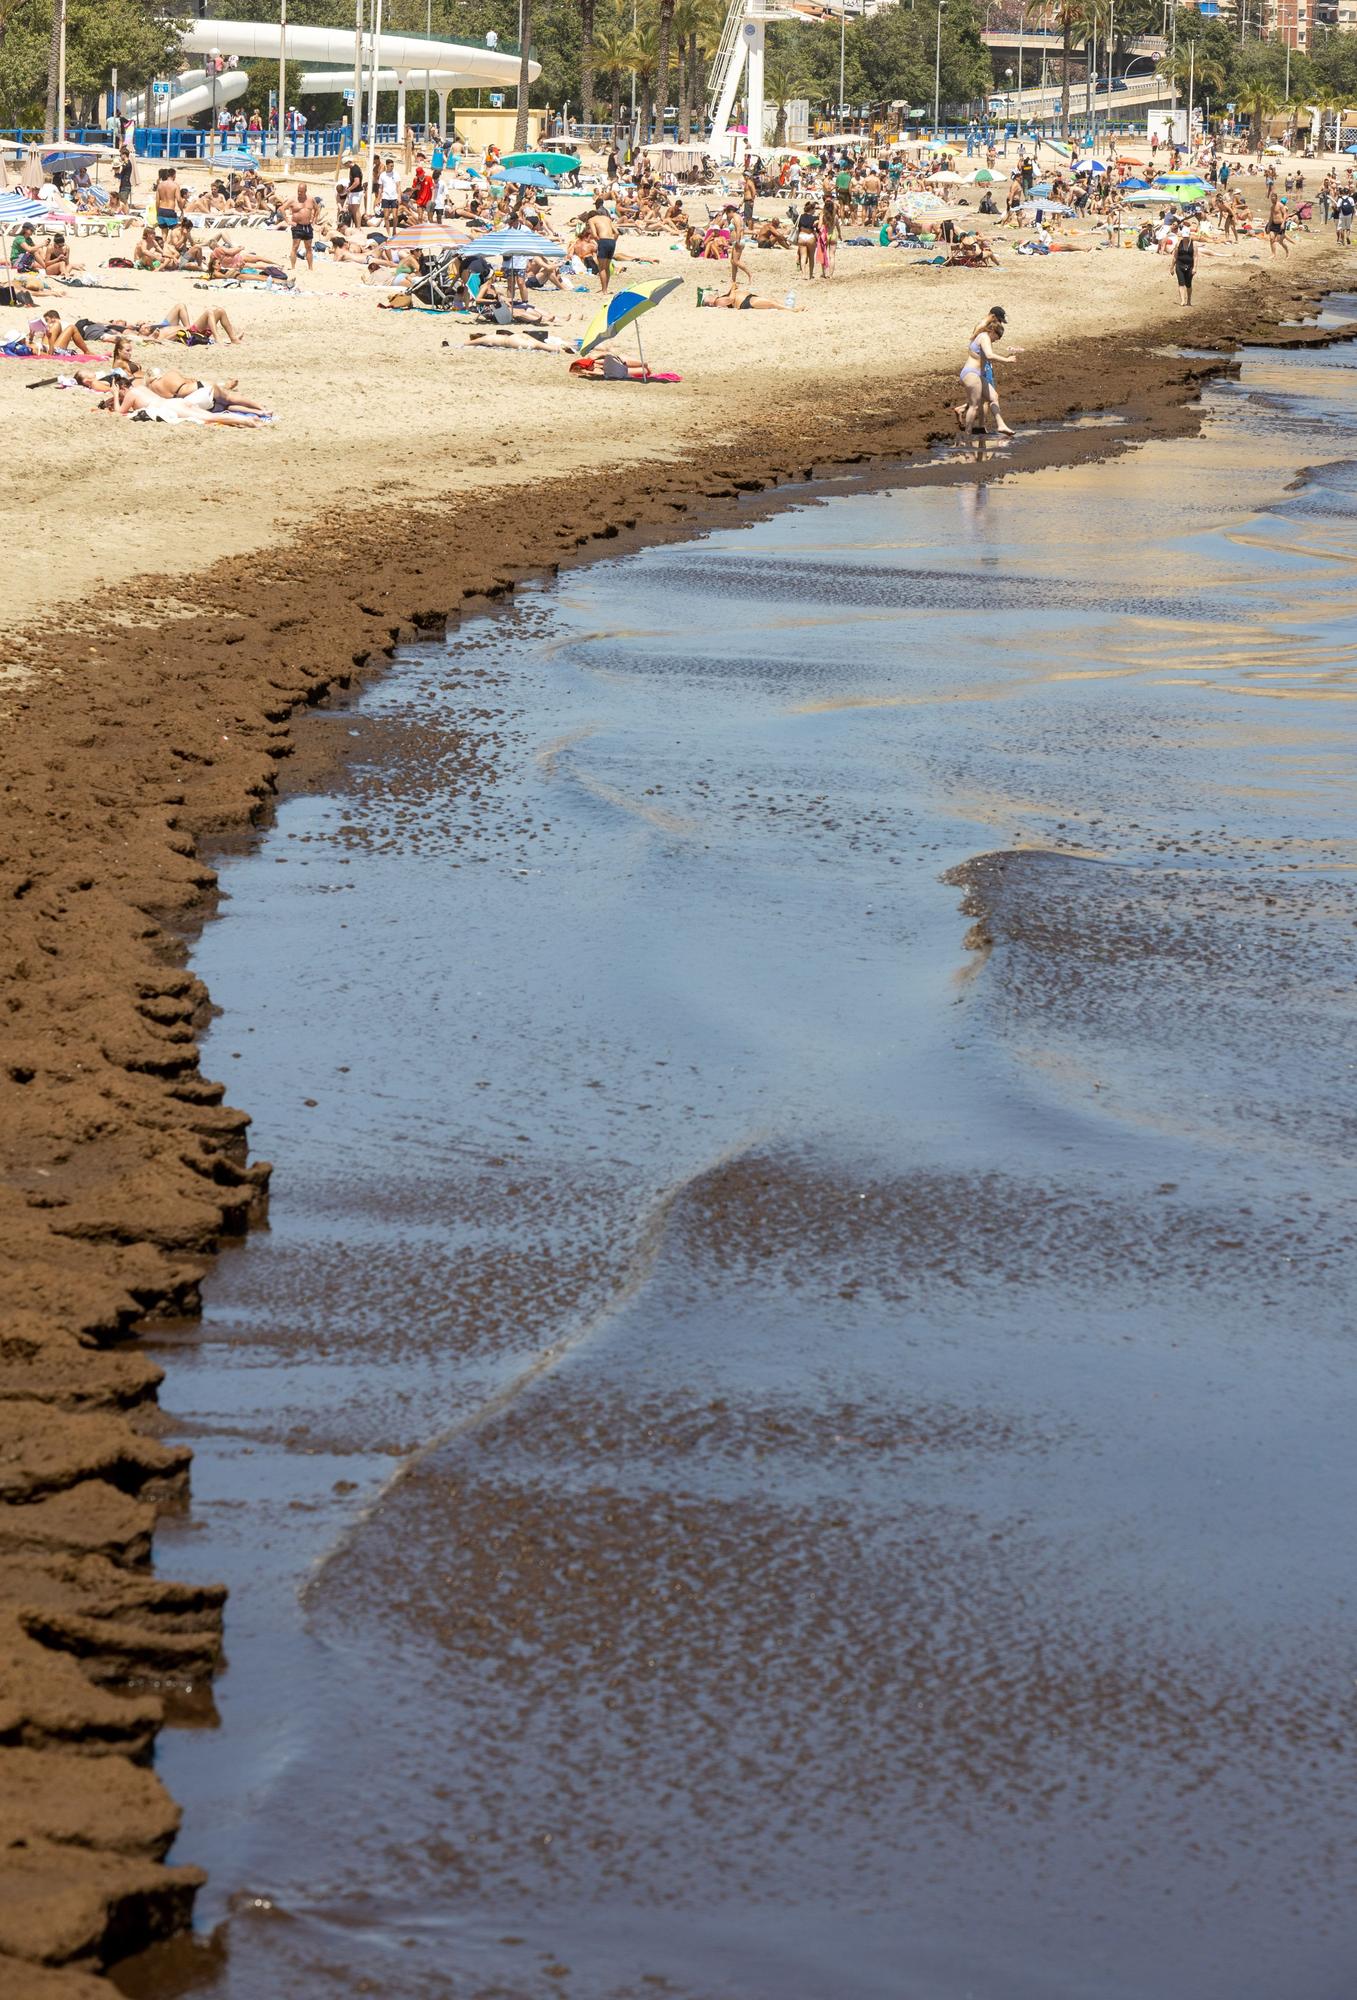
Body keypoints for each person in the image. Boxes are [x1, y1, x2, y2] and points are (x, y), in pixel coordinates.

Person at [954, 305, 1018, 437]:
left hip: (977, 374)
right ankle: (967, 434)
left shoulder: (983, 334)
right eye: (997, 338)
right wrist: (1007, 360)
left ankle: (1001, 425)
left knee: (994, 397)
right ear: (993, 332)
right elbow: (989, 355)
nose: (996, 341)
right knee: (974, 406)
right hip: (971, 373)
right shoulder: (984, 337)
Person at [578, 197, 618, 292]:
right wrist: (613, 242)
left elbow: (595, 234)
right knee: (607, 267)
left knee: (602, 268)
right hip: (612, 241)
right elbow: (617, 232)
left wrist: (599, 242)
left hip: (603, 241)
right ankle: (606, 289)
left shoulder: (592, 220)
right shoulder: (607, 218)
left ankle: (604, 290)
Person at [284, 183, 320, 270]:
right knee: (295, 247)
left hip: (308, 226)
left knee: (308, 247)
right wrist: (288, 221)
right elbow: (281, 209)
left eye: (301, 192)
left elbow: (317, 209)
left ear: (305, 191)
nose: (299, 193)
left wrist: (314, 220)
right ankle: (293, 267)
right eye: (298, 191)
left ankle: (310, 267)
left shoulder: (311, 199)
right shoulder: (293, 200)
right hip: (297, 226)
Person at [1172, 223, 1197, 306]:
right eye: (1184, 237)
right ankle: (1182, 300)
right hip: (1179, 265)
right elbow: (1175, 256)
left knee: (1188, 284)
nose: (1185, 238)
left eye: (1186, 237)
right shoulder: (1178, 244)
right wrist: (1172, 267)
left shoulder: (1194, 244)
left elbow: (1195, 257)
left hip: (1190, 266)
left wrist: (1194, 268)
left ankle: (1189, 299)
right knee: (1181, 283)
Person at [1266, 187, 1289, 256]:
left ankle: (1287, 251)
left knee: (1280, 241)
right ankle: (1273, 254)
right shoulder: (1272, 207)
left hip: (1280, 225)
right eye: (1271, 199)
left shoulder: (1280, 205)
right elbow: (1271, 217)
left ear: (1276, 198)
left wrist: (1283, 223)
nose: (1272, 200)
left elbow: (1285, 214)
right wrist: (1268, 226)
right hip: (1273, 225)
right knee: (1271, 238)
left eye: (1274, 198)